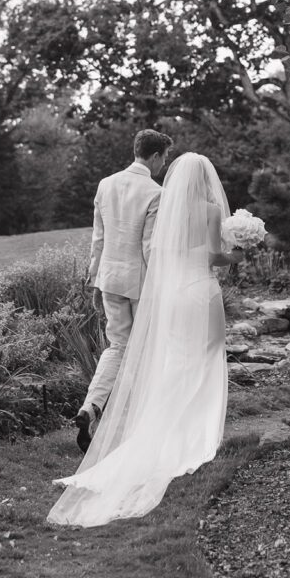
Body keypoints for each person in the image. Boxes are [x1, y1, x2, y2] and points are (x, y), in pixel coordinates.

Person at [47, 152, 244, 528]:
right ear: (205, 179)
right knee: (207, 358)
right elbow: (212, 257)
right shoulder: (209, 210)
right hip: (202, 292)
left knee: (175, 361)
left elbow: (155, 252)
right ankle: (197, 436)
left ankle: (158, 429)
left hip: (171, 295)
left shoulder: (166, 209)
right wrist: (237, 255)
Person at [74, 128, 173, 453]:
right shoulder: (154, 191)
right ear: (156, 155)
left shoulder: (106, 184)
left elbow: (97, 239)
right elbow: (149, 247)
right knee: (145, 352)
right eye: (164, 157)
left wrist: (94, 279)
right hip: (141, 284)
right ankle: (133, 427)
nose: (164, 164)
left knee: (117, 346)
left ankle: (92, 406)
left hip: (110, 279)